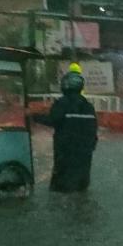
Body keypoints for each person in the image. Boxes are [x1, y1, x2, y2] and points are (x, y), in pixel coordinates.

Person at [32, 64, 98, 192]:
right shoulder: (88, 106)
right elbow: (93, 129)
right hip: (85, 152)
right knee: (81, 184)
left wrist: (33, 116)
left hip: (66, 151)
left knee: (62, 185)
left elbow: (52, 120)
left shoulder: (62, 103)